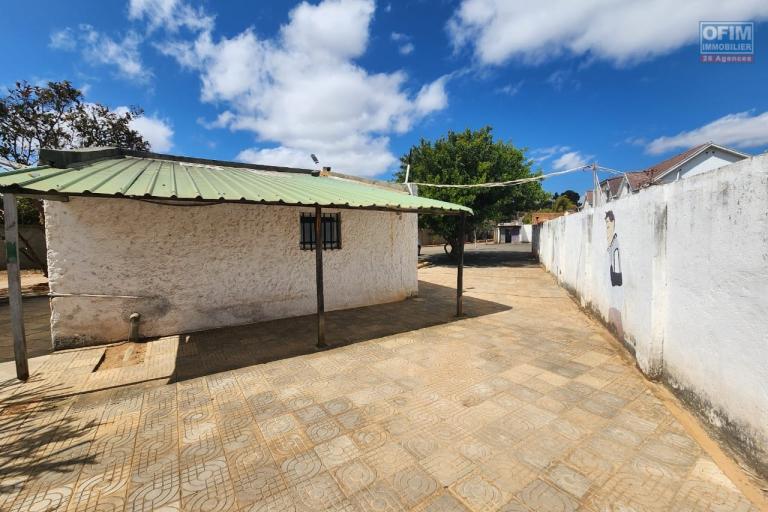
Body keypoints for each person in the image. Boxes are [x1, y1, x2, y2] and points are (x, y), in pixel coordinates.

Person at [605, 211, 622, 286]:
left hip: (617, 280)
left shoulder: (616, 245)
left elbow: (617, 268)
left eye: (608, 227)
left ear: (613, 223)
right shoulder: (611, 245)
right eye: (606, 228)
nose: (607, 232)